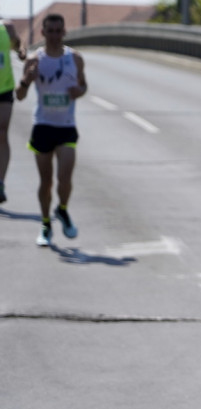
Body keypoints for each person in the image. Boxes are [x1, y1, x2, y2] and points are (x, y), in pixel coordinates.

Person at [16, 13, 85, 247]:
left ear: (64, 32)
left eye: (59, 31)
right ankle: (46, 224)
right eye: (50, 31)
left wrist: (79, 91)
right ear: (43, 33)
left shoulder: (74, 59)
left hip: (66, 126)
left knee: (64, 178)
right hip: (43, 126)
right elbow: (19, 95)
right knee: (46, 182)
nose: (55, 36)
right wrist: (26, 80)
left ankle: (62, 209)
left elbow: (84, 85)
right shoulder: (35, 60)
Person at [0, 16, 27, 204]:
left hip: (4, 89)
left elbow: (19, 47)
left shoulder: (6, 27)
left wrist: (21, 52)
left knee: (2, 133)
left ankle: (0, 182)